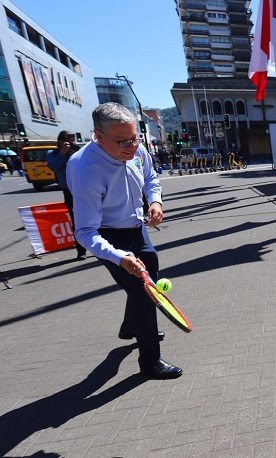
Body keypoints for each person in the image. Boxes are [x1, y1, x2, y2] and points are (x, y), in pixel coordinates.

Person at [66, 102, 180, 380]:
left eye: (135, 137)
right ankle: (150, 361)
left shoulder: (137, 149)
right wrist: (119, 257)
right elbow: (84, 232)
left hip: (136, 226)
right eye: (122, 141)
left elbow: (151, 178)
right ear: (98, 135)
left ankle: (131, 327)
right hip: (107, 235)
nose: (131, 146)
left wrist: (155, 201)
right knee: (144, 292)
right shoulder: (85, 170)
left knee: (146, 278)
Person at [47, 130, 88, 260]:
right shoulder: (53, 153)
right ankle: (81, 250)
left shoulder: (79, 150)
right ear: (59, 142)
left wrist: (74, 153)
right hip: (69, 191)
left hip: (86, 188)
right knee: (76, 220)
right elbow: (53, 166)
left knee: (100, 216)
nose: (70, 143)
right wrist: (62, 153)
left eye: (72, 140)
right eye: (66, 141)